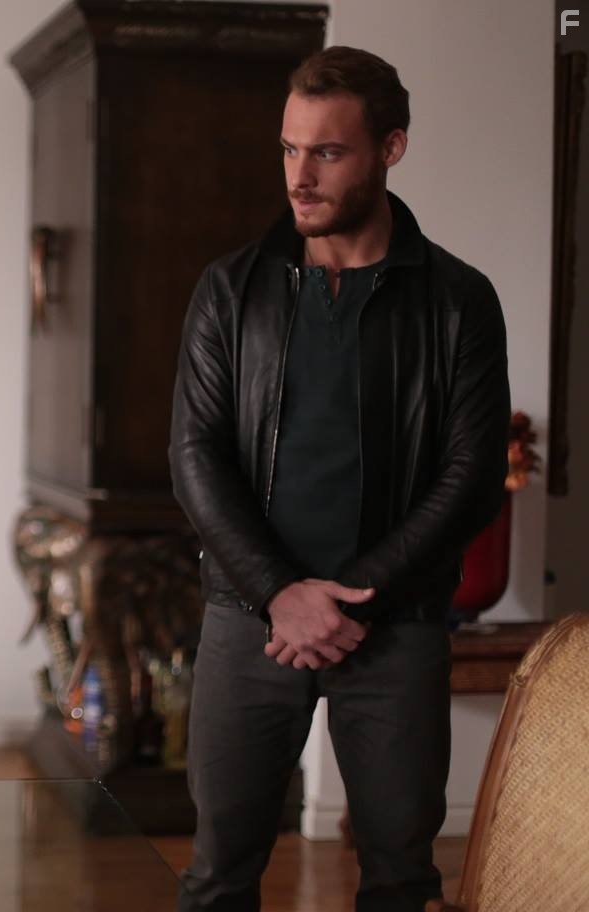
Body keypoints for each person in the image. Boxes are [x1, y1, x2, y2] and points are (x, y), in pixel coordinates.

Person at [168, 47, 509, 911]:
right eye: (290, 149)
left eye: (328, 151)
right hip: (249, 620)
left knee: (400, 876)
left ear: (391, 148)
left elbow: (472, 477)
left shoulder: (459, 301)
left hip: (394, 628)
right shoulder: (230, 291)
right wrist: (281, 594)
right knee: (217, 876)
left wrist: (355, 597)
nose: (300, 176)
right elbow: (195, 457)